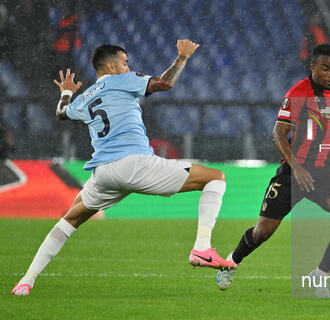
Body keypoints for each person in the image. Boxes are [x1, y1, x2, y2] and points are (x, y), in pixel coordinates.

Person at [11, 39, 236, 296]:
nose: (128, 68)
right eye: (125, 63)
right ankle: (202, 247)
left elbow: (62, 112)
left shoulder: (85, 97)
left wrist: (66, 92)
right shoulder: (120, 80)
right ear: (110, 66)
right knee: (215, 178)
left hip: (104, 173)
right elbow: (165, 83)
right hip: (135, 164)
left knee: (70, 219)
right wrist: (182, 57)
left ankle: (25, 282)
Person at [217, 44, 330, 297]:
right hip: (294, 173)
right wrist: (296, 168)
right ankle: (231, 262)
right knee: (263, 232)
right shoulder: (297, 94)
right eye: (325, 68)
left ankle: (319, 275)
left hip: (326, 172)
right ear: (312, 67)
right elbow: (278, 134)